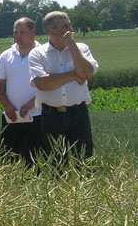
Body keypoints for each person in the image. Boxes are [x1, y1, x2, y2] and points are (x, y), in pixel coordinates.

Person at [29, 11, 99, 164]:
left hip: (78, 113)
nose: (67, 30)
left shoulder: (82, 48)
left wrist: (72, 46)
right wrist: (74, 75)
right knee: (55, 163)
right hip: (51, 115)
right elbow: (43, 84)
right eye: (61, 27)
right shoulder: (37, 54)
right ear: (49, 30)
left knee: (85, 161)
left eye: (68, 25)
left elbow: (87, 73)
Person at [0, 17, 41, 166]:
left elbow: (50, 84)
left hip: (38, 116)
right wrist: (7, 106)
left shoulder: (44, 53)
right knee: (8, 163)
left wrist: (31, 104)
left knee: (36, 162)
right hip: (11, 117)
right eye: (15, 32)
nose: (17, 36)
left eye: (22, 32)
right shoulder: (5, 55)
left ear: (33, 32)